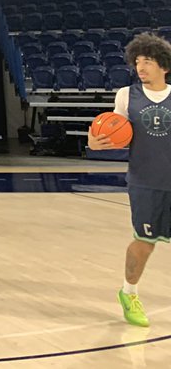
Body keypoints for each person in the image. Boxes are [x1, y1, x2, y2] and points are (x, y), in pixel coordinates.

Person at [88, 32, 171, 327]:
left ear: (164, 65)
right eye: (137, 62)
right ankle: (129, 293)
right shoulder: (126, 95)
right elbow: (111, 128)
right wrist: (95, 140)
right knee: (145, 242)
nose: (141, 67)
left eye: (147, 61)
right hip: (145, 181)